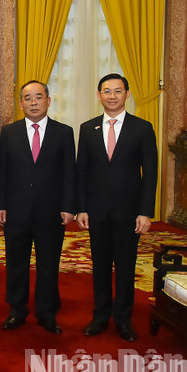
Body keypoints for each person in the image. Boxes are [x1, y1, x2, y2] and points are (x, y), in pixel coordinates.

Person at [76, 73, 157, 342]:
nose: (112, 96)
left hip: (129, 212)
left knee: (125, 267)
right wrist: (81, 208)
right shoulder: (88, 128)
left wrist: (145, 212)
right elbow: (82, 171)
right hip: (96, 211)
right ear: (99, 95)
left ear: (127, 94)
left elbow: (150, 173)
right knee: (99, 266)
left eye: (118, 91)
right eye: (107, 91)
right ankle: (100, 316)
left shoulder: (142, 128)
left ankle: (123, 320)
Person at [0, 81, 75, 334]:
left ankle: (47, 313)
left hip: (50, 212)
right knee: (16, 264)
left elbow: (69, 173)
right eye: (28, 98)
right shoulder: (9, 132)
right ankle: (16, 311)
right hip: (16, 210)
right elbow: (1, 173)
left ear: (48, 101)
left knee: (48, 265)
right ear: (21, 104)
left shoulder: (64, 133)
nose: (33, 102)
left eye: (38, 97)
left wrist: (69, 206)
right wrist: (1, 205)